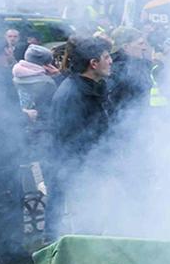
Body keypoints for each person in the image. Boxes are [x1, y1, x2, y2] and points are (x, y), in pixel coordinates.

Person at [45, 36, 116, 234]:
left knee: (98, 223)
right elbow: (73, 140)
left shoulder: (93, 87)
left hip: (94, 169)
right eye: (106, 57)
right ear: (93, 63)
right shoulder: (73, 94)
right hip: (81, 172)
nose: (111, 61)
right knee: (88, 226)